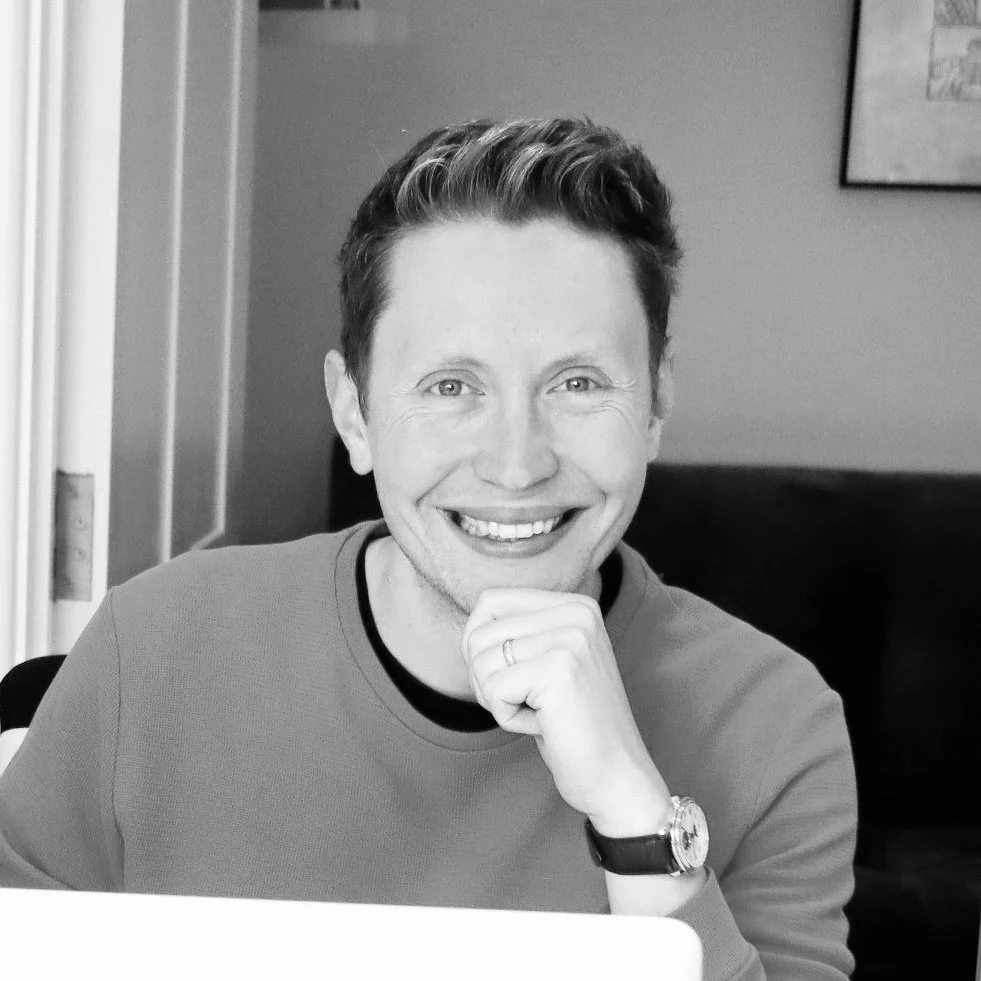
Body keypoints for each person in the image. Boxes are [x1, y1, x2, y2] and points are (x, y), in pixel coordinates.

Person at [0, 117, 857, 979]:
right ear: (353, 412)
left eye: (576, 382)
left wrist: (634, 813)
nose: (516, 464)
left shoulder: (778, 725)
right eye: (451, 386)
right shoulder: (151, 646)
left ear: (655, 406)